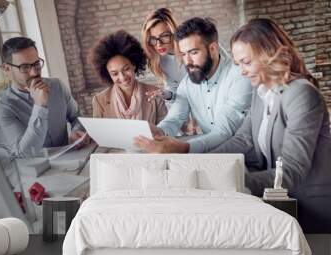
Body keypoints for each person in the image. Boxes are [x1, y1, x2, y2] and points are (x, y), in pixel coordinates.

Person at [211, 18, 331, 233]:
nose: (242, 71)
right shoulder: (261, 93)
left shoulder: (301, 93)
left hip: (313, 209)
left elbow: (292, 169)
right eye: (238, 64)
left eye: (246, 62)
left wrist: (230, 179)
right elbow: (244, 140)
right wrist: (205, 162)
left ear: (268, 54)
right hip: (282, 205)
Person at [134, 17, 252, 153]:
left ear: (213, 48)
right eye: (183, 54)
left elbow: (223, 132)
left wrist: (183, 147)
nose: (187, 61)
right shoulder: (187, 83)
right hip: (212, 155)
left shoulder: (240, 76)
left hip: (246, 157)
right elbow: (174, 119)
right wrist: (158, 131)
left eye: (194, 52)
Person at [0, 37, 87, 157]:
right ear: (6, 68)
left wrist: (77, 131)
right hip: (36, 170)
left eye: (36, 64)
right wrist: (40, 106)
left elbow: (77, 117)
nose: (34, 73)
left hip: (71, 159)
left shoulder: (57, 86)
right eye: (25, 67)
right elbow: (24, 154)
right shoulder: (2, 106)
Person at [89, 30, 167, 125]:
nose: (122, 77)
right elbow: (98, 135)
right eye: (115, 74)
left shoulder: (154, 93)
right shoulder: (99, 100)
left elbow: (164, 130)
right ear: (108, 74)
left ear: (134, 65)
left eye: (126, 69)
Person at [141, 7, 186, 102]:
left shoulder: (193, 46)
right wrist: (166, 94)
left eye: (164, 36)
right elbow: (174, 89)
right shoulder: (162, 60)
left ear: (174, 33)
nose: (158, 44)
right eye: (153, 39)